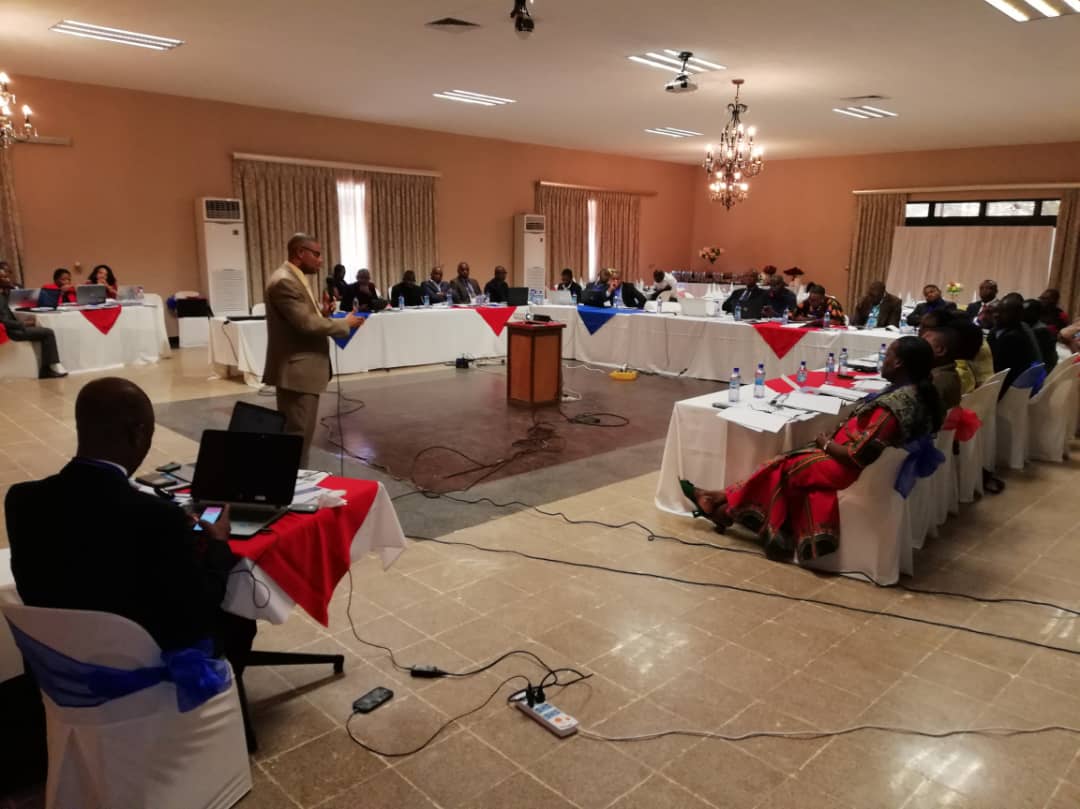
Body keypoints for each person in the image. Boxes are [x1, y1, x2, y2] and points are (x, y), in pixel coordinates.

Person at [6, 377, 255, 671]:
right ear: (138, 434)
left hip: (60, 667)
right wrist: (218, 543)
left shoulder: (22, 499)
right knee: (241, 616)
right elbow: (196, 610)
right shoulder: (159, 517)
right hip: (145, 670)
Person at [680, 336, 943, 561]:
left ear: (898, 363)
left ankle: (725, 508)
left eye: (888, 355)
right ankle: (720, 503)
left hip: (845, 468)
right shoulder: (914, 392)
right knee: (782, 462)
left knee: (780, 467)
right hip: (847, 458)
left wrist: (825, 443)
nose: (883, 360)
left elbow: (857, 457)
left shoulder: (893, 408)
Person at [263, 233, 364, 465]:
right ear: (300, 253)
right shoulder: (285, 281)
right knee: (297, 437)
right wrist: (344, 324)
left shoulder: (294, 277)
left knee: (300, 436)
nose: (320, 260)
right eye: (316, 254)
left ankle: (296, 480)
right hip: (297, 372)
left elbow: (304, 316)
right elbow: (306, 324)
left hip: (302, 371)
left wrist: (323, 312)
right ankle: (294, 483)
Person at [0, 266, 67, 378]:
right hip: (12, 331)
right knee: (48, 332)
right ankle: (47, 369)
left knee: (45, 331)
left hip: (13, 327)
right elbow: (3, 320)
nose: (8, 279)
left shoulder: (5, 294)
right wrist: (22, 324)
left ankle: (47, 369)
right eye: (4, 277)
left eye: (7, 276)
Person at [988, 292, 1041, 395]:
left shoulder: (1013, 337)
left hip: (1007, 389)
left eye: (1004, 312)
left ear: (1017, 315)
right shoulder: (1002, 330)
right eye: (996, 311)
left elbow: (996, 368)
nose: (996, 315)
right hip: (1010, 385)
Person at [918, 312, 963, 409]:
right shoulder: (941, 372)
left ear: (940, 350)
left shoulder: (938, 381)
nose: (919, 347)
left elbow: (920, 411)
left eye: (923, 344)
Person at [1023, 298, 1058, 372]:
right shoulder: (1030, 326)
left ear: (1036, 313)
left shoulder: (1041, 331)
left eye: (1027, 311)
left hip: (1043, 370)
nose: (1022, 314)